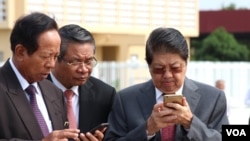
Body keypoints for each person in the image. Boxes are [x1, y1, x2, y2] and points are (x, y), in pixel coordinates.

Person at [104, 27, 229, 141]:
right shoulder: (125, 100)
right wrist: (147, 129)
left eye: (175, 68)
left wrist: (190, 122)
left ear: (186, 62)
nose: (167, 75)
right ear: (148, 66)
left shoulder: (213, 99)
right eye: (159, 69)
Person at [0, 12, 80, 140]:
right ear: (20, 52)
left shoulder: (54, 92)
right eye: (45, 57)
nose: (52, 64)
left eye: (55, 57)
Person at [47, 24, 116, 140]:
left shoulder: (105, 95)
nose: (83, 69)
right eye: (75, 62)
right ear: (56, 58)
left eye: (89, 61)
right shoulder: (34, 91)